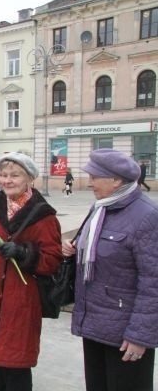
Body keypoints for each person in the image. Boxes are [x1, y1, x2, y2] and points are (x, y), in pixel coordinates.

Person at [0, 152, 63, 391]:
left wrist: (23, 252)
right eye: (3, 175)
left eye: (15, 175)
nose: (7, 180)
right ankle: (0, 386)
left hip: (21, 297)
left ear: (29, 178)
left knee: (16, 357)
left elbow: (52, 260)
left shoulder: (43, 215)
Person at [63, 149, 158, 391]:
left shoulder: (146, 217)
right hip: (95, 324)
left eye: (95, 177)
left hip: (126, 335)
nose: (90, 182)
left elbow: (153, 282)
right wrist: (75, 251)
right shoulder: (100, 208)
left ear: (116, 180)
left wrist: (140, 336)